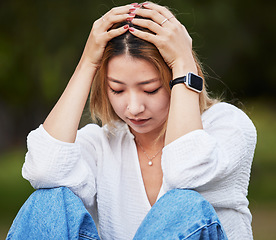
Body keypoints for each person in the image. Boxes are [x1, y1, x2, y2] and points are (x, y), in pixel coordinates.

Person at [7, 2, 256, 240]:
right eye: (117, 90)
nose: (134, 108)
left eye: (150, 89)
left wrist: (182, 61)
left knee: (183, 203)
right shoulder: (102, 142)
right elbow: (43, 170)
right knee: (50, 200)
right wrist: (87, 63)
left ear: (178, 79)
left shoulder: (228, 126)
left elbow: (184, 173)